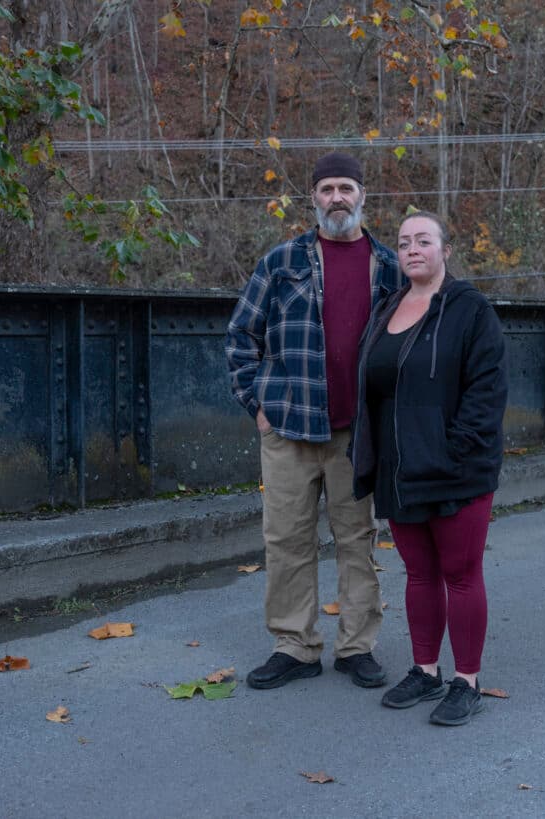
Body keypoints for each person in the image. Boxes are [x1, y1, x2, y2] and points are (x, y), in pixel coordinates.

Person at [225, 152, 403, 690]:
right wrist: (257, 406)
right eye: (327, 189)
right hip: (289, 427)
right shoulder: (281, 261)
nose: (337, 198)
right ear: (314, 198)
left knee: (358, 541)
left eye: (346, 188)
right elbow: (241, 335)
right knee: (286, 541)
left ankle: (357, 647)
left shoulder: (389, 266)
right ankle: (295, 646)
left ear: (363, 195)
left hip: (358, 433)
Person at [351, 210, 508, 726]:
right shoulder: (387, 308)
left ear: (445, 250)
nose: (413, 250)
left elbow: (487, 391)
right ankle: (426, 671)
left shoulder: (470, 310)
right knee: (419, 574)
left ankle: (467, 681)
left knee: (460, 575)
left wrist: (453, 452)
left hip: (455, 469)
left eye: (423, 241)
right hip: (399, 469)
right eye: (404, 243)